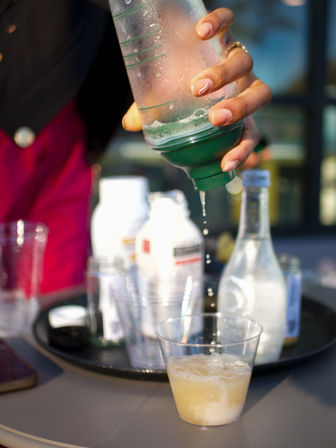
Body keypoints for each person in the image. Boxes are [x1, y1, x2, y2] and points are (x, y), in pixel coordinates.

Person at [0, 1, 271, 296]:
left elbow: (152, 25)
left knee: (58, 309)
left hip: (69, 143)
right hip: (9, 123)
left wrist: (212, 56)